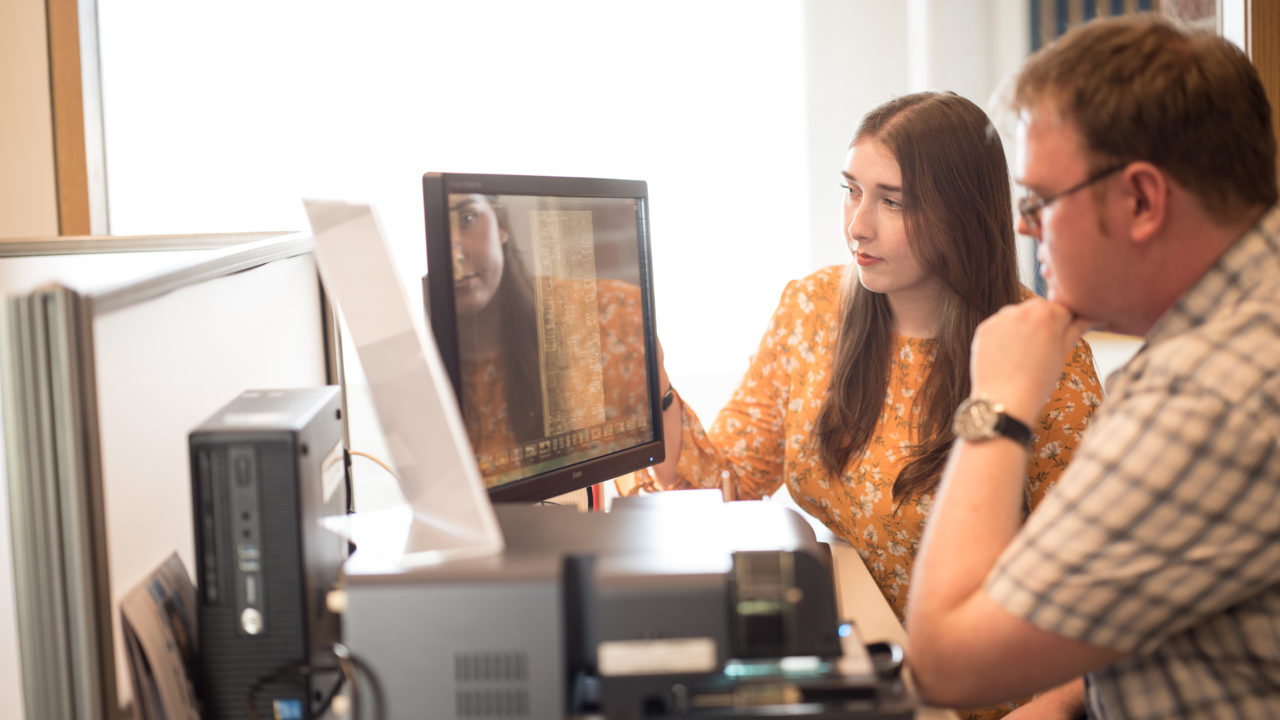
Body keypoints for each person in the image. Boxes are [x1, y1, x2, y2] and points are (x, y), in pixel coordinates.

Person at [617, 91, 1104, 718]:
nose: (857, 225)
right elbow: (731, 487)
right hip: (868, 664)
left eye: (892, 201)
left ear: (961, 214)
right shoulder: (812, 309)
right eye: (852, 190)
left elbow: (1097, 594)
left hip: (990, 695)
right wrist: (654, 390)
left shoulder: (1040, 352)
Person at [906, 14, 1280, 719]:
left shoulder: (1207, 394)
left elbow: (946, 665)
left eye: (1042, 200)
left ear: (1141, 199)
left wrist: (999, 402)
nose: (1024, 227)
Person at [446, 193, 649, 487]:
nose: (455, 255)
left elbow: (672, 483)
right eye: (436, 233)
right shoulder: (416, 378)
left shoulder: (615, 315)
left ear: (500, 224)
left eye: (467, 219)